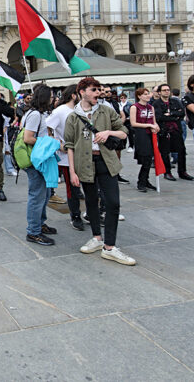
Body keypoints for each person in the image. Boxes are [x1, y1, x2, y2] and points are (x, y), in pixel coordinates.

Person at [64, 77, 134, 265]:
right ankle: (97, 237)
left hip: (106, 162)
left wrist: (108, 133)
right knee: (91, 201)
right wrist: (72, 172)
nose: (98, 93)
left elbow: (124, 131)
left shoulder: (106, 111)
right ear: (82, 92)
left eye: (99, 90)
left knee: (113, 202)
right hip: (84, 163)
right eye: (94, 90)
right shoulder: (73, 116)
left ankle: (110, 247)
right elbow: (69, 145)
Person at [21, 84, 57, 246]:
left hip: (42, 158)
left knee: (46, 193)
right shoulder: (34, 115)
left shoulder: (39, 114)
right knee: (37, 196)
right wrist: (49, 143)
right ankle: (33, 232)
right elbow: (28, 138)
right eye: (50, 96)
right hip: (36, 159)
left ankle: (40, 224)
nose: (53, 99)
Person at [46, 84, 84, 230]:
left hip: (85, 155)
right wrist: (58, 143)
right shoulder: (60, 111)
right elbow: (48, 127)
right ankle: (75, 216)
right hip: (67, 157)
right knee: (72, 188)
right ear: (74, 95)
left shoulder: (82, 109)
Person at [152, 83, 193, 181]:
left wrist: (170, 114)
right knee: (165, 152)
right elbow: (159, 117)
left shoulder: (175, 101)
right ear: (159, 92)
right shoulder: (156, 104)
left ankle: (182, 172)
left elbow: (182, 113)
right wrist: (174, 116)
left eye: (168, 90)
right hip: (164, 132)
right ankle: (167, 172)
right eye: (164, 90)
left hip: (176, 130)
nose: (167, 92)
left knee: (181, 151)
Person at [129, 87, 158, 193]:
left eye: (148, 94)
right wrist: (148, 125)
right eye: (145, 94)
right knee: (145, 158)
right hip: (141, 134)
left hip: (151, 134)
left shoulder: (151, 107)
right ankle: (141, 182)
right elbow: (133, 123)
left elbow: (154, 121)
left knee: (149, 159)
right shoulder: (134, 107)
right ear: (139, 96)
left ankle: (145, 180)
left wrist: (156, 126)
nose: (148, 96)